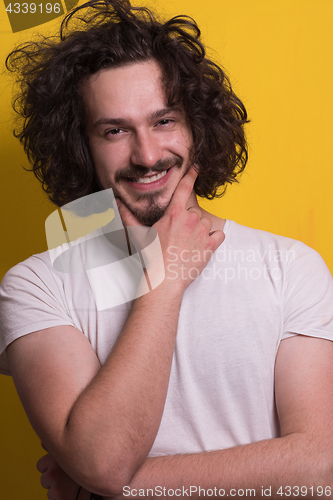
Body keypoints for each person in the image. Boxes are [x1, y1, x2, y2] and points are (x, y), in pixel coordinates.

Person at [1, 1, 333, 499]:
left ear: (196, 125)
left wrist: (105, 485)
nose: (148, 155)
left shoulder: (289, 267)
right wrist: (166, 278)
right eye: (115, 130)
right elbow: (104, 458)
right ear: (80, 144)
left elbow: (319, 466)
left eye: (163, 121)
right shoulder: (34, 284)